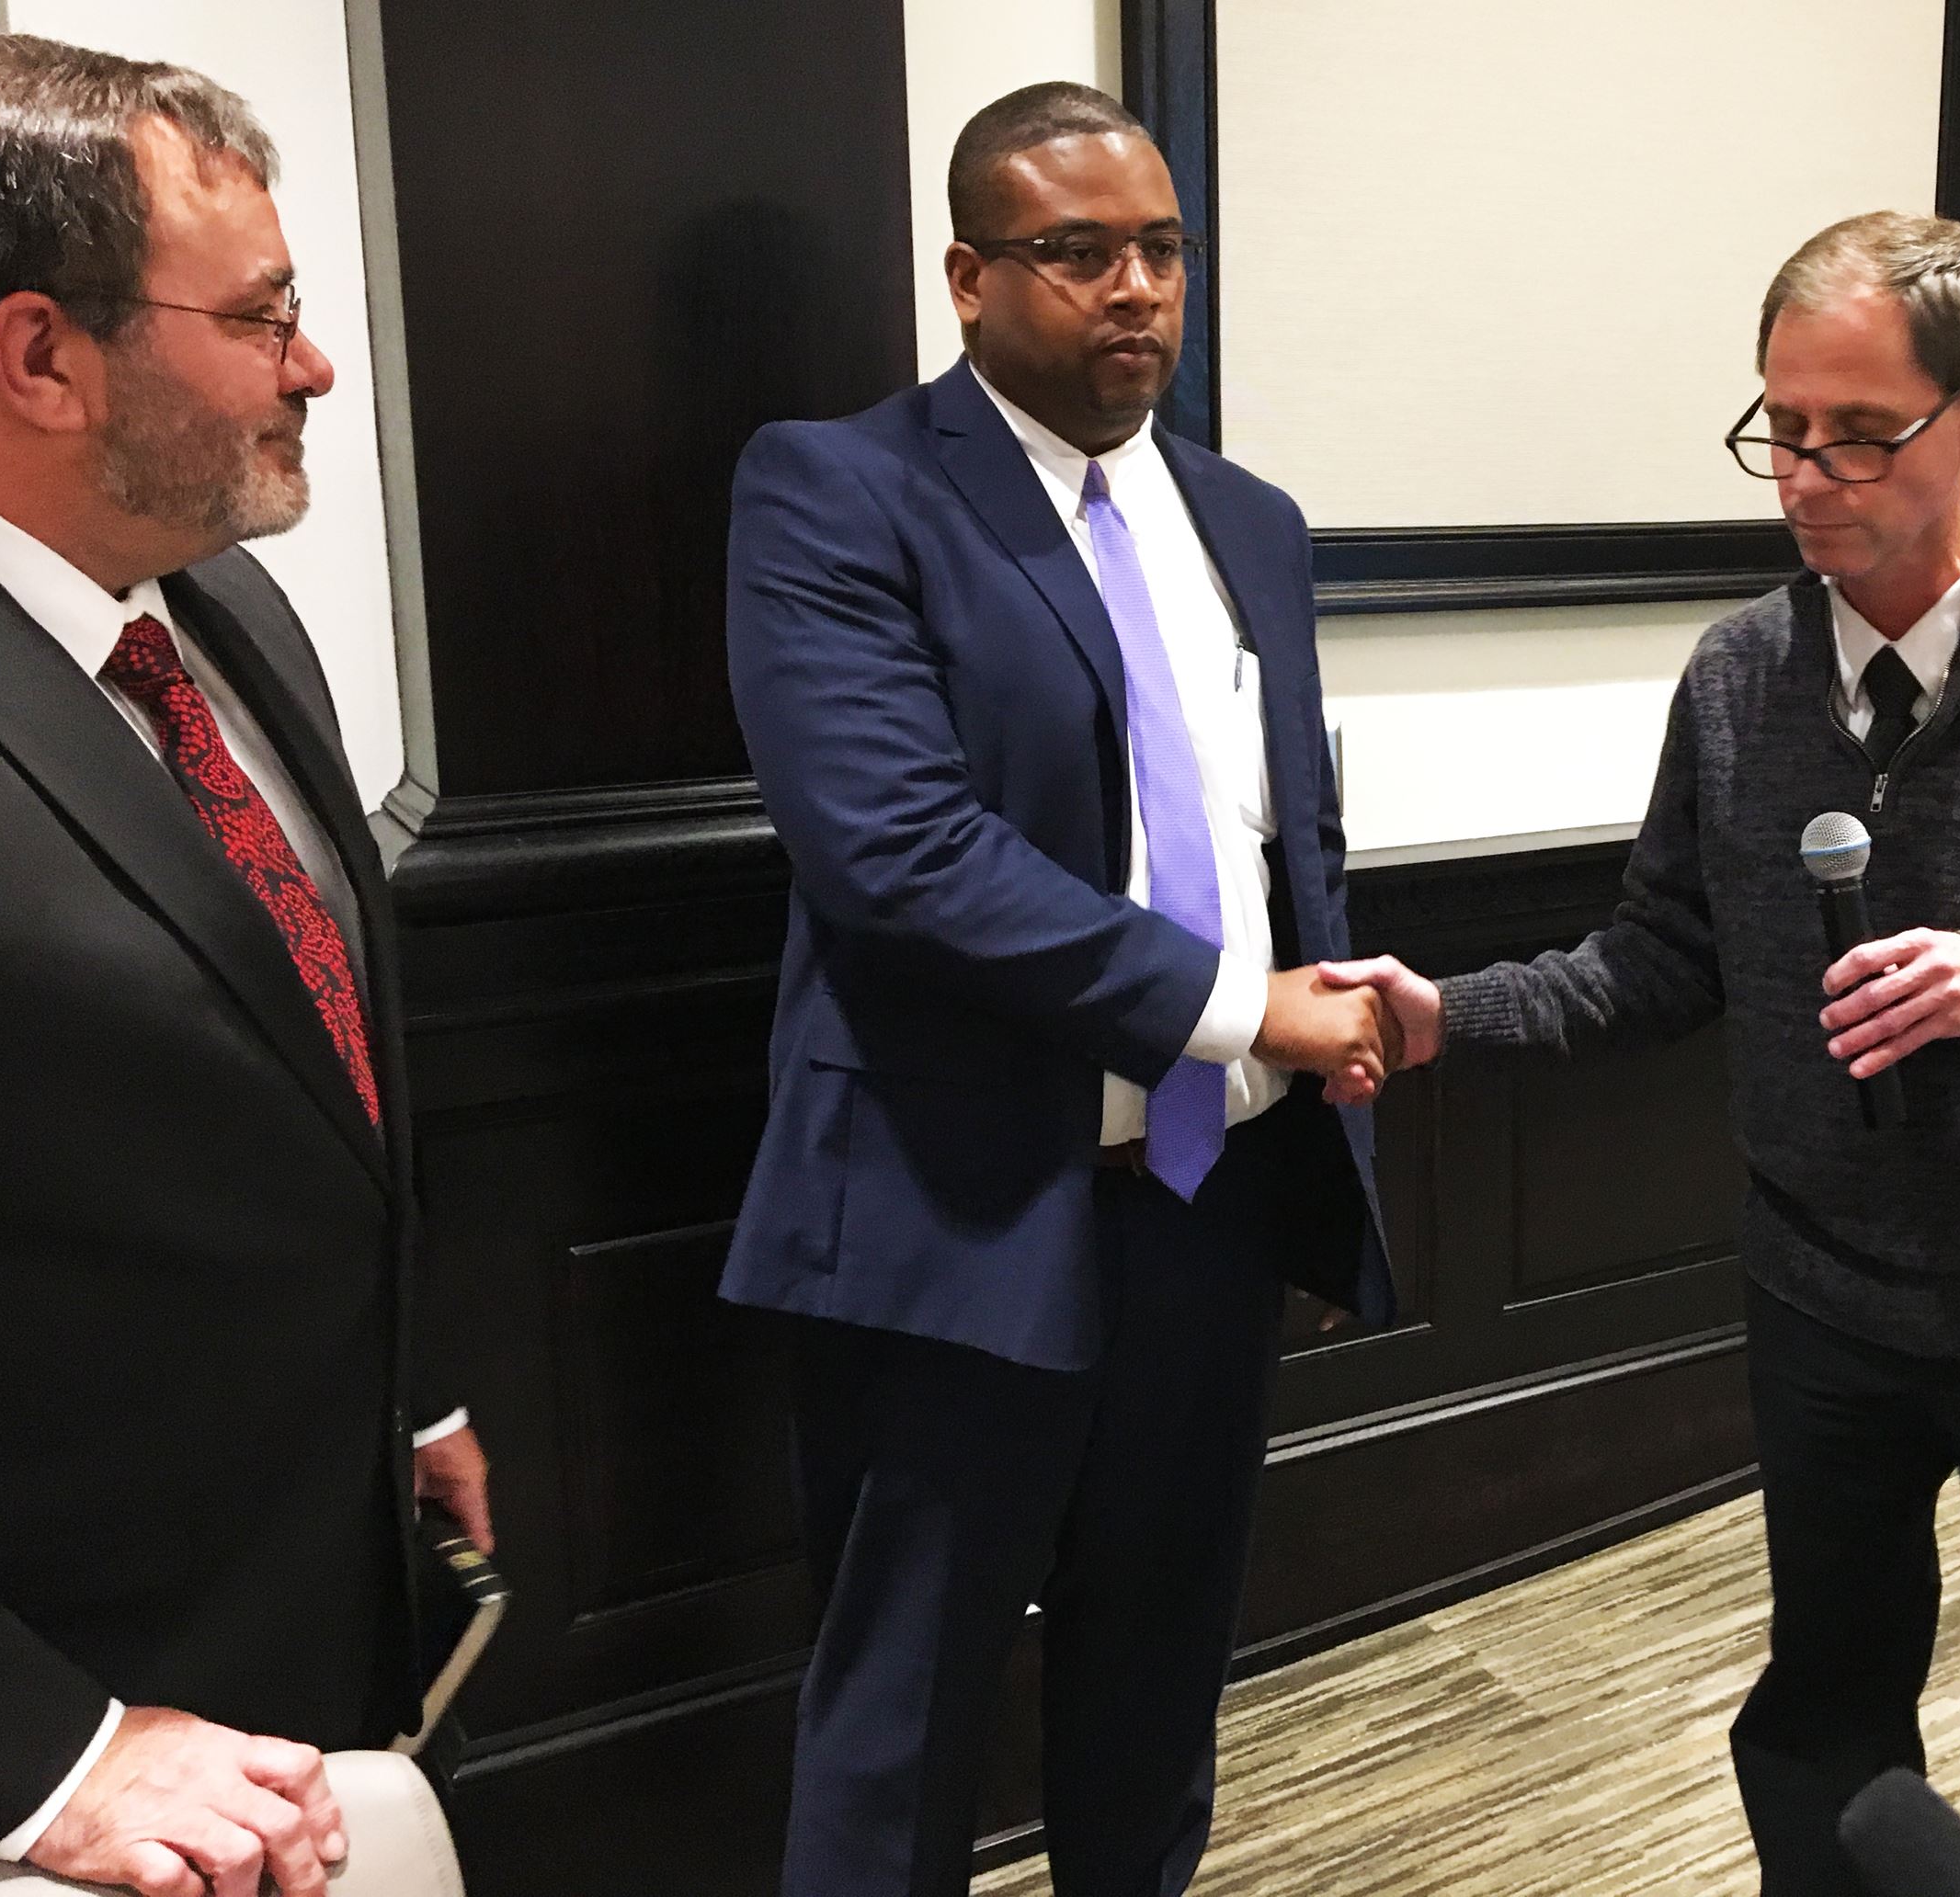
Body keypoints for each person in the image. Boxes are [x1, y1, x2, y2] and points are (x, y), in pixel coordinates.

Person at [1327, 212, 1960, 1895]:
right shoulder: (1737, 675)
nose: (1806, 476)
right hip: (1827, 1303)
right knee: (1821, 1731)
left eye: (1860, 433)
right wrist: (1453, 1013)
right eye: (1779, 429)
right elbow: (1661, 959)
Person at [719, 80, 1397, 1897]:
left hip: (1205, 1203)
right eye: (1076, 253)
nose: (1135, 293)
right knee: (902, 1719)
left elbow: (1271, 832)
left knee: (1159, 1677)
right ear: (966, 274)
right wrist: (1248, 1013)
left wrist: (1315, 1029)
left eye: (1161, 251)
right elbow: (901, 857)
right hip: (961, 1204)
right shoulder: (836, 489)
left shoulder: (1247, 520)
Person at [0, 38, 492, 1897]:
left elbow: (294, 1050)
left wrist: (404, 1395)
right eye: (263, 312)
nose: (317, 362)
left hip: (305, 1631)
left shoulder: (220, 602)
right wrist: (36, 1753)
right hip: (82, 1753)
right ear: (40, 356)